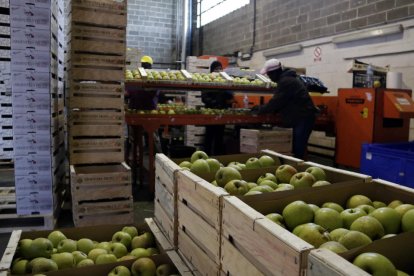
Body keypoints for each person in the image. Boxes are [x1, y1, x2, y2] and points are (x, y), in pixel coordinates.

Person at [254, 58, 319, 159]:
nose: (269, 77)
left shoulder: (286, 82)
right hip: (301, 117)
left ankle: (299, 168)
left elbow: (277, 101)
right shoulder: (288, 79)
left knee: (298, 149)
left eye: (269, 74)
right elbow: (283, 100)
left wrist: (260, 110)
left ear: (275, 72)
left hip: (303, 118)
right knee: (296, 146)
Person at [201, 61, 234, 155]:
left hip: (221, 114)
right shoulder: (208, 80)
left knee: (219, 137)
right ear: (212, 70)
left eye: (220, 68)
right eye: (216, 69)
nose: (218, 71)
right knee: (209, 136)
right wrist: (214, 103)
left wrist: (228, 100)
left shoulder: (225, 81)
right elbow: (204, 98)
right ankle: (206, 156)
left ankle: (217, 157)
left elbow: (229, 97)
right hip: (210, 114)